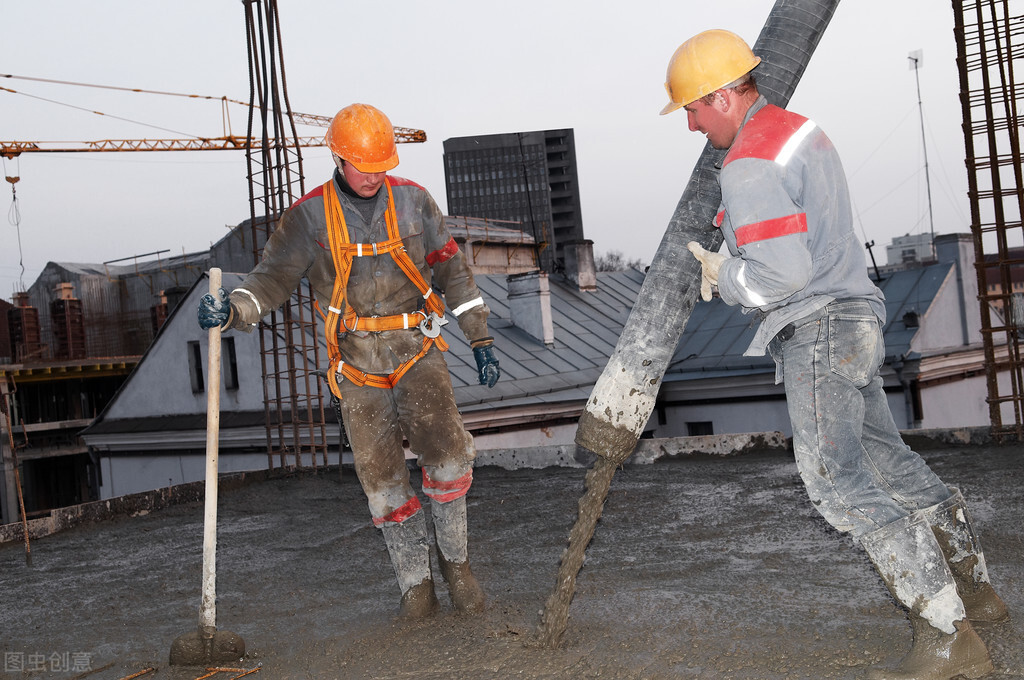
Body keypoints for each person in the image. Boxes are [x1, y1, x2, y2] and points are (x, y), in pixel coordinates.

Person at [663, 29, 1008, 680]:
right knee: (889, 462)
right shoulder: (800, 132)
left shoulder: (746, 164)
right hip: (856, 316)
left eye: (692, 108)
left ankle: (945, 635)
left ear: (721, 96)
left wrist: (726, 276)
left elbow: (782, 273)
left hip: (818, 328)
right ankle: (978, 593)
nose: (690, 124)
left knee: (837, 486)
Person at [197, 103, 501, 619]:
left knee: (449, 462)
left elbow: (453, 271)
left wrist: (480, 337)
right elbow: (271, 280)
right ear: (337, 157)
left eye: (381, 165)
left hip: (417, 352)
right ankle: (416, 588)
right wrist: (232, 309)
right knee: (383, 484)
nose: (373, 176)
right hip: (357, 367)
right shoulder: (308, 217)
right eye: (364, 166)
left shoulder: (414, 202)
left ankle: (458, 567)